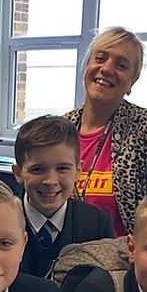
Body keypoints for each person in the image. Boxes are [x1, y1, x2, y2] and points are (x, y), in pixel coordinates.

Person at [66, 26, 147, 236]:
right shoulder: (62, 129)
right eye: (100, 58)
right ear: (86, 66)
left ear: (132, 82)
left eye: (121, 65)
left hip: (122, 261)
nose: (107, 69)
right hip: (63, 256)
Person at [12, 114, 114, 277]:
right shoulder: (0, 222)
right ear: (18, 173)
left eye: (62, 169)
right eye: (37, 169)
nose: (50, 181)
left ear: (78, 170)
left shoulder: (97, 225)